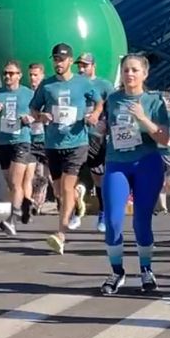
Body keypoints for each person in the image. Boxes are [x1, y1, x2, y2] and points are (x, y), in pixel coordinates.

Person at [98, 55, 170, 294]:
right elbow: (106, 127)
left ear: (145, 74)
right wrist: (101, 129)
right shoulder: (112, 99)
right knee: (112, 220)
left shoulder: (154, 101)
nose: (129, 74)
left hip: (146, 164)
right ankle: (116, 271)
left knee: (141, 221)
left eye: (134, 70)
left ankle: (146, 269)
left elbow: (164, 138)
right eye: (125, 70)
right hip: (117, 163)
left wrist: (142, 118)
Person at [29, 43, 106, 254]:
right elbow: (33, 108)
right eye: (55, 59)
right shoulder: (47, 86)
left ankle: (60, 234)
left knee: (65, 188)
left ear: (70, 61)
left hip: (77, 142)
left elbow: (99, 103)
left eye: (62, 60)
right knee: (58, 191)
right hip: (53, 144)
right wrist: (40, 116)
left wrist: (95, 115)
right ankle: (76, 198)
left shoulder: (82, 83)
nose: (58, 63)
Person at [0, 60, 37, 236]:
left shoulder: (28, 94)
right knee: (11, 184)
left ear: (19, 75)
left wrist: (31, 118)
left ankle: (12, 219)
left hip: (22, 141)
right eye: (5, 73)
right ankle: (26, 204)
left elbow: (39, 113)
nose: (7, 77)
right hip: (3, 143)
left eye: (11, 73)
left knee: (15, 181)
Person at [77, 52, 115, 232]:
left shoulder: (104, 85)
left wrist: (104, 124)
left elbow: (113, 109)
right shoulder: (74, 84)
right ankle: (74, 211)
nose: (81, 68)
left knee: (98, 175)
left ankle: (103, 213)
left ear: (93, 66)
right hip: (74, 135)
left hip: (96, 136)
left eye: (85, 65)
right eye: (80, 65)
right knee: (70, 175)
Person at [24, 62, 51, 211]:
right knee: (34, 173)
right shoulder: (27, 94)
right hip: (31, 138)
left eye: (36, 75)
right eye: (31, 75)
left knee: (49, 175)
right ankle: (35, 203)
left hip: (47, 138)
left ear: (42, 76)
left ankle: (67, 203)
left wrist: (41, 117)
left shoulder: (47, 93)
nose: (33, 78)